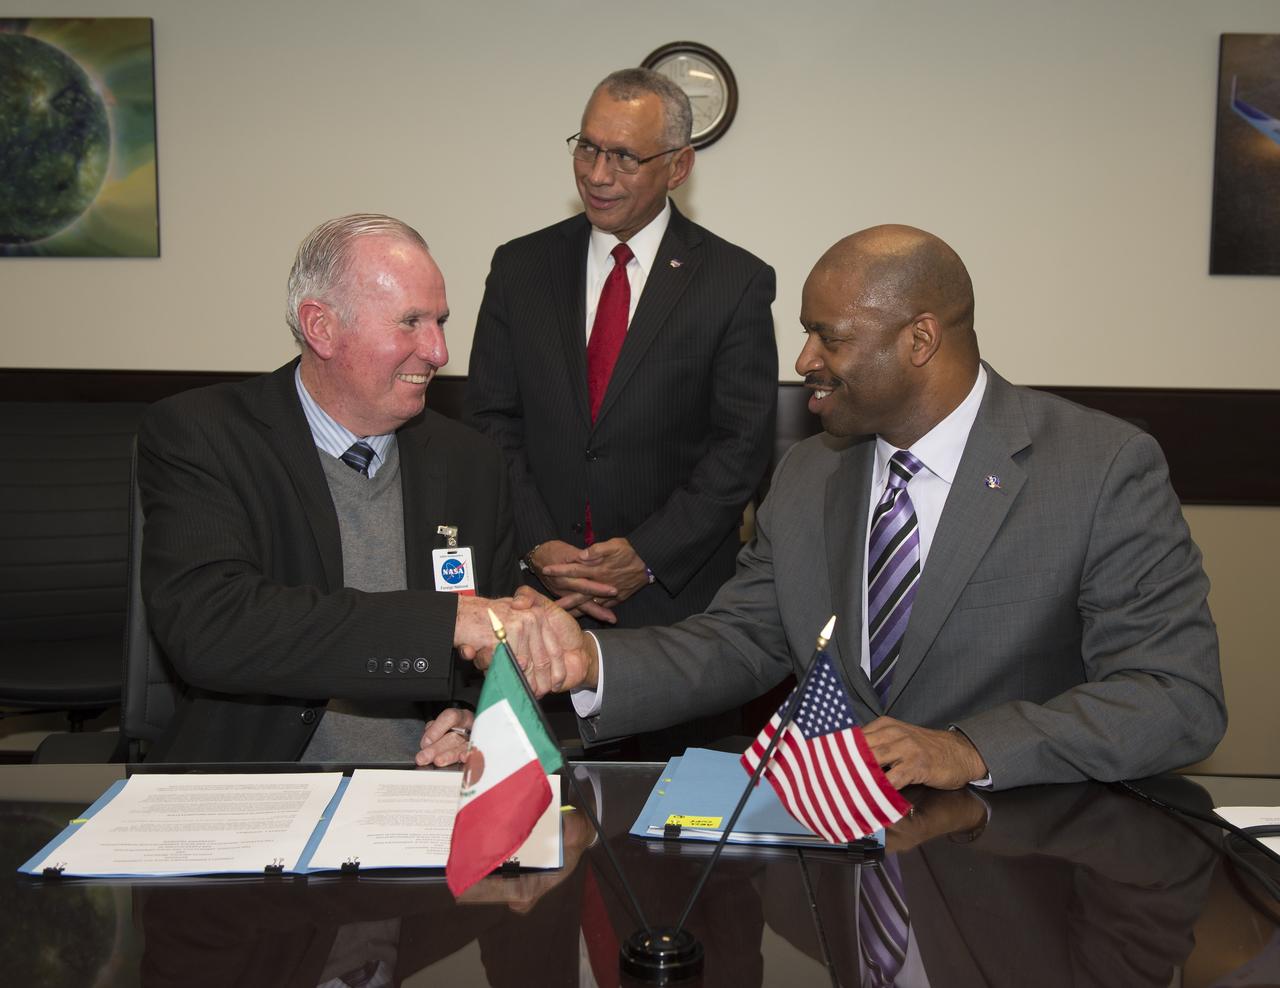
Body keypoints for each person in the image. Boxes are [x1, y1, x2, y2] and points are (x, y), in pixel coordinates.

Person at [424, 224, 1226, 791]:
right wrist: (588, 662)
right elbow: (741, 641)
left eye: (827, 337)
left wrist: (970, 750)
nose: (804, 360)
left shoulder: (1100, 467)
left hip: (1028, 866)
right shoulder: (810, 474)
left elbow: (1173, 696)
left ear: (919, 341)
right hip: (835, 878)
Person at [138, 213, 567, 764]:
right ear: (321, 327)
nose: (438, 351)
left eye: (440, 321)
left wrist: (471, 716)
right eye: (410, 322)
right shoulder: (205, 435)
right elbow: (212, 627)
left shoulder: (470, 461)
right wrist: (448, 623)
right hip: (259, 782)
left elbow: (488, 646)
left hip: (418, 791)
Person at [465, 67, 778, 753]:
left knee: (668, 831)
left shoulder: (734, 282)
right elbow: (490, 421)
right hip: (534, 602)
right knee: (536, 819)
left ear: (679, 165)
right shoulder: (520, 267)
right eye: (587, 148)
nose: (597, 174)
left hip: (675, 612)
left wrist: (647, 556)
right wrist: (540, 543)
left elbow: (741, 447)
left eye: (624, 157)